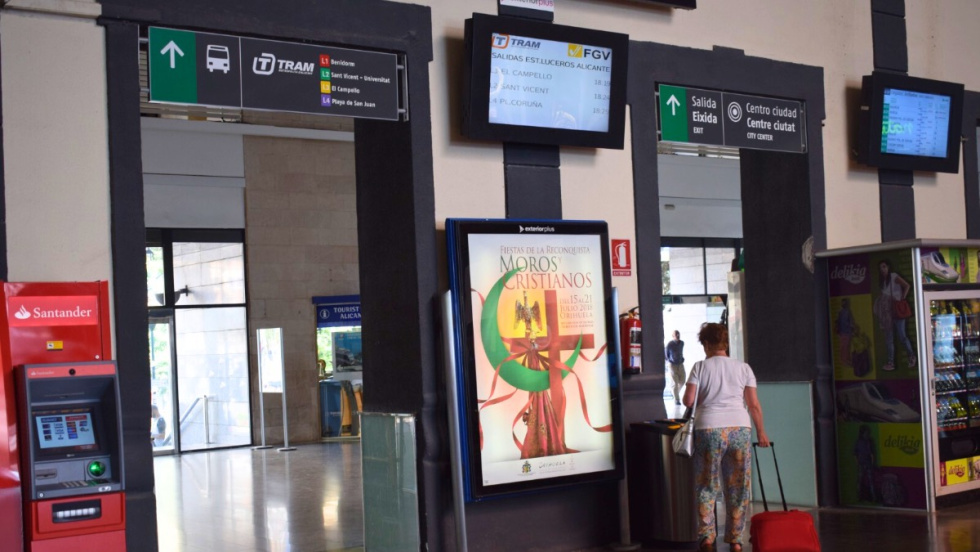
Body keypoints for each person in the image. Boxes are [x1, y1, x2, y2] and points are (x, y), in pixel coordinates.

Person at [683, 322, 769, 552]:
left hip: (708, 429)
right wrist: (761, 432)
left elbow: (688, 400)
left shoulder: (700, 367)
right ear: (725, 344)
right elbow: (753, 405)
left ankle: (707, 538)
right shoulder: (744, 368)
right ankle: (736, 541)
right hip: (740, 429)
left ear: (707, 344)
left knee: (707, 485)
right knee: (738, 486)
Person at [873, 259, 915, 371]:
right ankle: (891, 362)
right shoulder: (882, 281)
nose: (882, 269)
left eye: (884, 267)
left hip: (896, 310)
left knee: (902, 336)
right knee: (889, 339)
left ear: (888, 267)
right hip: (887, 312)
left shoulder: (893, 276)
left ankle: (911, 356)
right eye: (880, 268)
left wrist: (902, 298)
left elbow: (907, 285)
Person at [665, 330, 686, 406]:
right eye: (676, 334)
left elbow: (680, 352)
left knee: (682, 380)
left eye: (678, 334)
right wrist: (669, 361)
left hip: (680, 364)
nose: (677, 335)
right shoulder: (670, 344)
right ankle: (677, 400)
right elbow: (666, 354)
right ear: (673, 336)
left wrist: (682, 358)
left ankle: (674, 394)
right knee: (674, 383)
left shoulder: (682, 343)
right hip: (672, 365)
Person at [836, 298, 855, 366]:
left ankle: (845, 360)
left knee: (845, 347)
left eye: (844, 303)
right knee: (844, 347)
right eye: (843, 303)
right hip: (844, 332)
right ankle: (845, 360)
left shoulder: (844, 312)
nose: (843, 304)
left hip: (845, 332)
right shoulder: (842, 312)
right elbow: (838, 322)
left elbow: (850, 322)